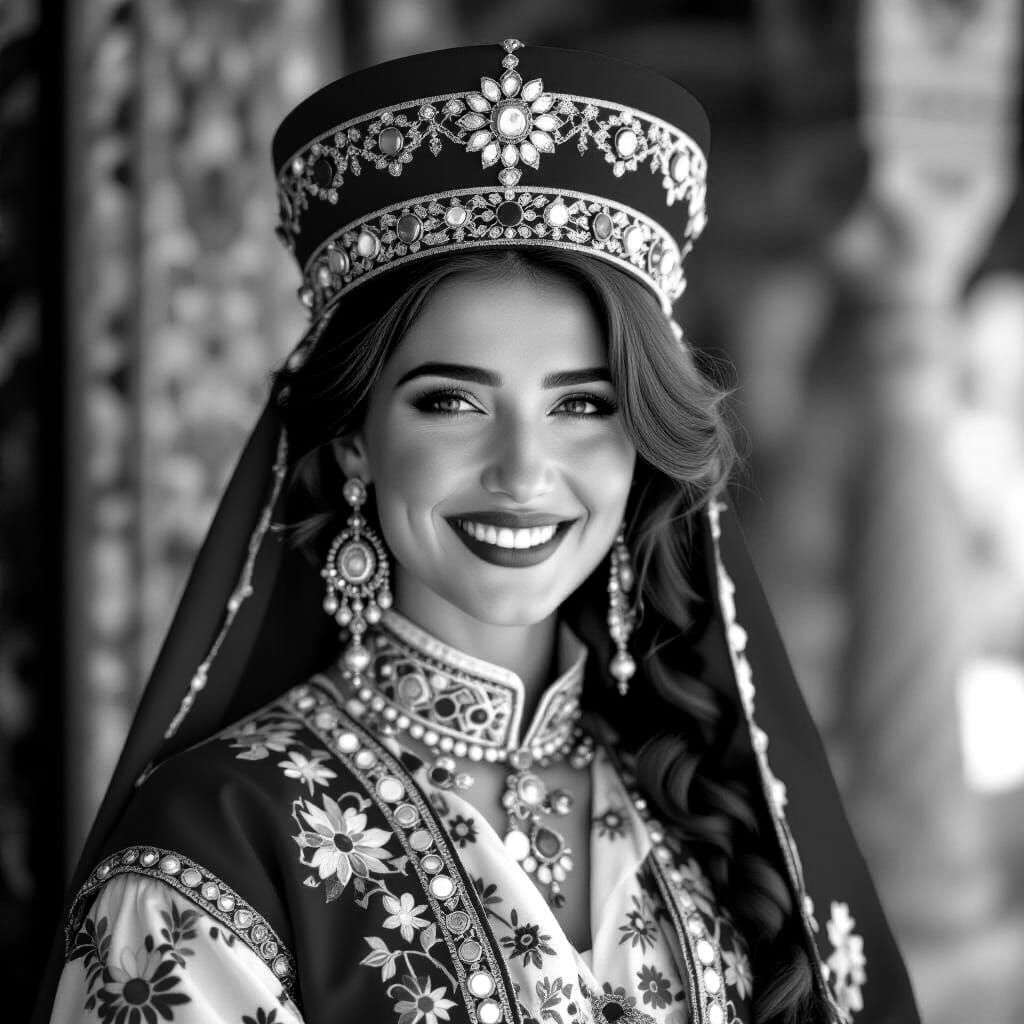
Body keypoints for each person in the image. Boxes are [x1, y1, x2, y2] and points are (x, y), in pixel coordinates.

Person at [38, 40, 920, 1024]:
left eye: (582, 406)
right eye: (452, 402)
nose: (523, 471)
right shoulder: (216, 846)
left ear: (640, 444)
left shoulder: (711, 807)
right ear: (357, 443)